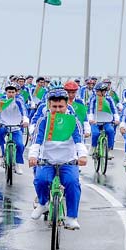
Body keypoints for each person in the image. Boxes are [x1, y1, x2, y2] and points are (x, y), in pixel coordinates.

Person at [28, 88, 88, 230]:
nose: (57, 109)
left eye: (61, 106)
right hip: (47, 160)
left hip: (68, 161)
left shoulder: (73, 121)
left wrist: (82, 155)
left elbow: (79, 140)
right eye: (54, 106)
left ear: (67, 105)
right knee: (40, 180)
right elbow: (36, 140)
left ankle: (71, 217)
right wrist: (33, 156)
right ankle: (43, 204)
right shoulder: (44, 121)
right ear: (49, 105)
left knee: (73, 183)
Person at [0, 82, 30, 174]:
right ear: (6, 92)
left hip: (16, 126)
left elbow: (24, 112)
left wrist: (25, 121)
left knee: (20, 145)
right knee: (0, 134)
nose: (11, 94)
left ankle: (17, 164)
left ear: (16, 92)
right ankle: (0, 150)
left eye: (13, 92)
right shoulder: (1, 100)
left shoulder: (19, 100)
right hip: (4, 125)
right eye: (9, 92)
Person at [88, 81, 119, 158]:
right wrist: (91, 119)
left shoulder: (109, 99)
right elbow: (90, 110)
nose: (97, 93)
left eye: (98, 91)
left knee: (111, 131)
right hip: (95, 121)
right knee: (95, 133)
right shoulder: (94, 98)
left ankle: (109, 150)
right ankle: (93, 147)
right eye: (96, 91)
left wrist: (116, 119)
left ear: (104, 91)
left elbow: (114, 109)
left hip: (107, 121)